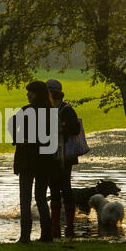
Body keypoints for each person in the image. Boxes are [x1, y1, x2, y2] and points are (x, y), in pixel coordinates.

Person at [8, 81, 54, 243]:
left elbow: (11, 124)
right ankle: (47, 234)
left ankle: (25, 236)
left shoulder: (27, 110)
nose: (27, 95)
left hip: (27, 159)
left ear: (37, 94)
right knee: (41, 198)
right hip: (45, 160)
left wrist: (20, 139)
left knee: (25, 198)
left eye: (30, 92)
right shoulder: (51, 111)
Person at [46, 79, 80, 238]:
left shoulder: (66, 109)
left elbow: (75, 129)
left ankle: (68, 224)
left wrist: (61, 126)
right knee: (53, 189)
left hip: (65, 156)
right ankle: (57, 224)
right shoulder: (47, 109)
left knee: (65, 188)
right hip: (51, 155)